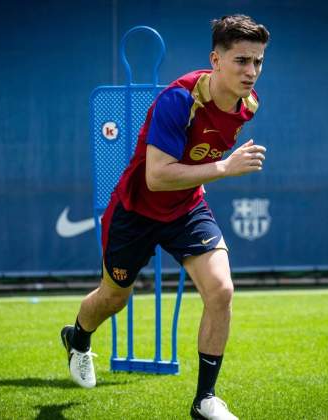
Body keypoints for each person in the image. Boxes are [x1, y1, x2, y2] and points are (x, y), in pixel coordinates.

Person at [61, 14, 269, 420]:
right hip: (136, 209)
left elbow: (201, 153)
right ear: (216, 59)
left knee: (221, 290)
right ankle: (78, 339)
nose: (252, 71)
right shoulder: (179, 100)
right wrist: (224, 168)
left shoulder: (248, 105)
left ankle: (204, 399)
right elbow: (156, 177)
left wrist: (206, 174)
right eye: (242, 60)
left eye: (258, 61)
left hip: (187, 207)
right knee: (113, 298)